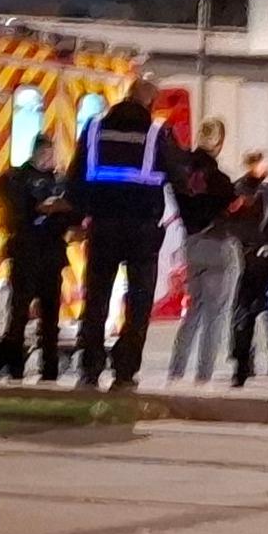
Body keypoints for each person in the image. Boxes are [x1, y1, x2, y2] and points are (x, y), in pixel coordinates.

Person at [68, 78, 190, 391]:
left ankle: (90, 369)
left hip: (103, 226)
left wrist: (81, 216)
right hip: (141, 230)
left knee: (95, 300)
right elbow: (180, 177)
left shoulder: (94, 129)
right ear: (149, 103)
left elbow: (75, 181)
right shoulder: (156, 133)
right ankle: (124, 372)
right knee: (137, 303)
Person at [169, 118, 240, 386]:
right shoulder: (220, 179)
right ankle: (203, 375)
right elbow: (232, 208)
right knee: (216, 314)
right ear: (219, 143)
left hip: (192, 244)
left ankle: (176, 371)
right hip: (218, 245)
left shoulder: (182, 175)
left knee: (194, 312)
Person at [0, 134, 73, 382]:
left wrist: (61, 212)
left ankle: (49, 369)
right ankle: (14, 367)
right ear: (38, 153)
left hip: (50, 255)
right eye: (47, 153)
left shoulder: (58, 181)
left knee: (50, 317)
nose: (51, 159)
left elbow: (69, 215)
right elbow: (14, 210)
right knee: (19, 313)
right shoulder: (17, 179)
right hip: (27, 254)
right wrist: (37, 208)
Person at [230, 150, 268, 386]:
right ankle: (242, 364)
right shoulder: (245, 190)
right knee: (249, 314)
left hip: (263, 260)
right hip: (253, 260)